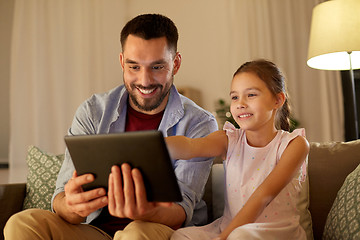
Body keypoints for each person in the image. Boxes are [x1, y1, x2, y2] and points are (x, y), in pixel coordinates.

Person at [4, 13, 218, 240]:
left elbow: (181, 210)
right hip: (96, 231)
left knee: (135, 233)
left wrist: (147, 211)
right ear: (121, 61)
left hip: (157, 231)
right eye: (134, 67)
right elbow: (61, 197)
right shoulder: (93, 111)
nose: (144, 80)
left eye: (157, 67)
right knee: (21, 223)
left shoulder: (199, 123)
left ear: (175, 64)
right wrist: (72, 207)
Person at [165, 59, 310, 240]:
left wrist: (223, 237)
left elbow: (262, 196)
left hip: (276, 232)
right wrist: (154, 145)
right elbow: (190, 146)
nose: (240, 103)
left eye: (251, 95)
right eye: (234, 97)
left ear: (277, 100)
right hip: (230, 228)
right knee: (181, 236)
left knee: (240, 236)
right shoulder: (229, 139)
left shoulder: (294, 144)